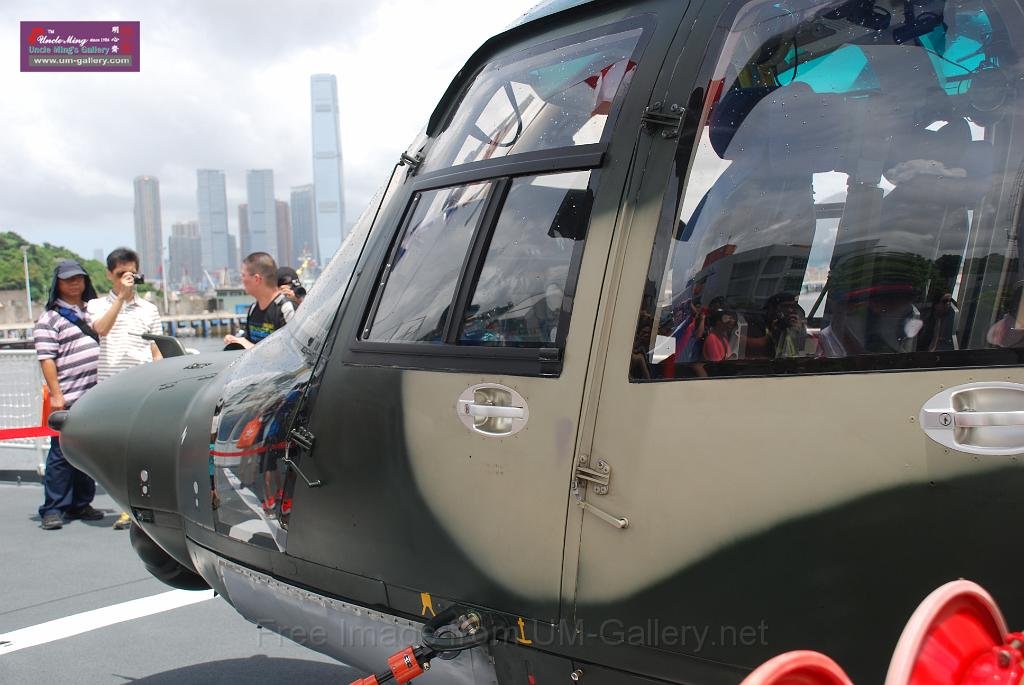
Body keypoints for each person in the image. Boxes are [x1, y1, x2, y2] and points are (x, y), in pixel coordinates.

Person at [87, 247, 164, 529]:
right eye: (120, 275)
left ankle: (139, 507)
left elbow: (156, 348)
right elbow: (101, 329)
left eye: (130, 274)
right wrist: (121, 297)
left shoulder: (150, 309)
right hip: (111, 389)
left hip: (142, 388)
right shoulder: (96, 305)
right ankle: (124, 506)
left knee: (140, 451)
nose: (126, 280)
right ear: (109, 275)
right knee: (116, 453)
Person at [34, 260, 103, 530]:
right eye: (68, 279)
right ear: (57, 284)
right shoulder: (49, 318)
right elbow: (47, 358)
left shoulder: (93, 312)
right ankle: (53, 507)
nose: (75, 283)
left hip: (95, 396)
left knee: (85, 452)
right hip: (69, 394)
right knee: (61, 453)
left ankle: (81, 502)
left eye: (79, 278)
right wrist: (56, 395)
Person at [224, 252, 295, 350]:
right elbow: (248, 340)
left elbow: (292, 351)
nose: (241, 279)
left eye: (243, 275)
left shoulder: (285, 309)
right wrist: (236, 340)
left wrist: (251, 347)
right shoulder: (253, 308)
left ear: (257, 279)